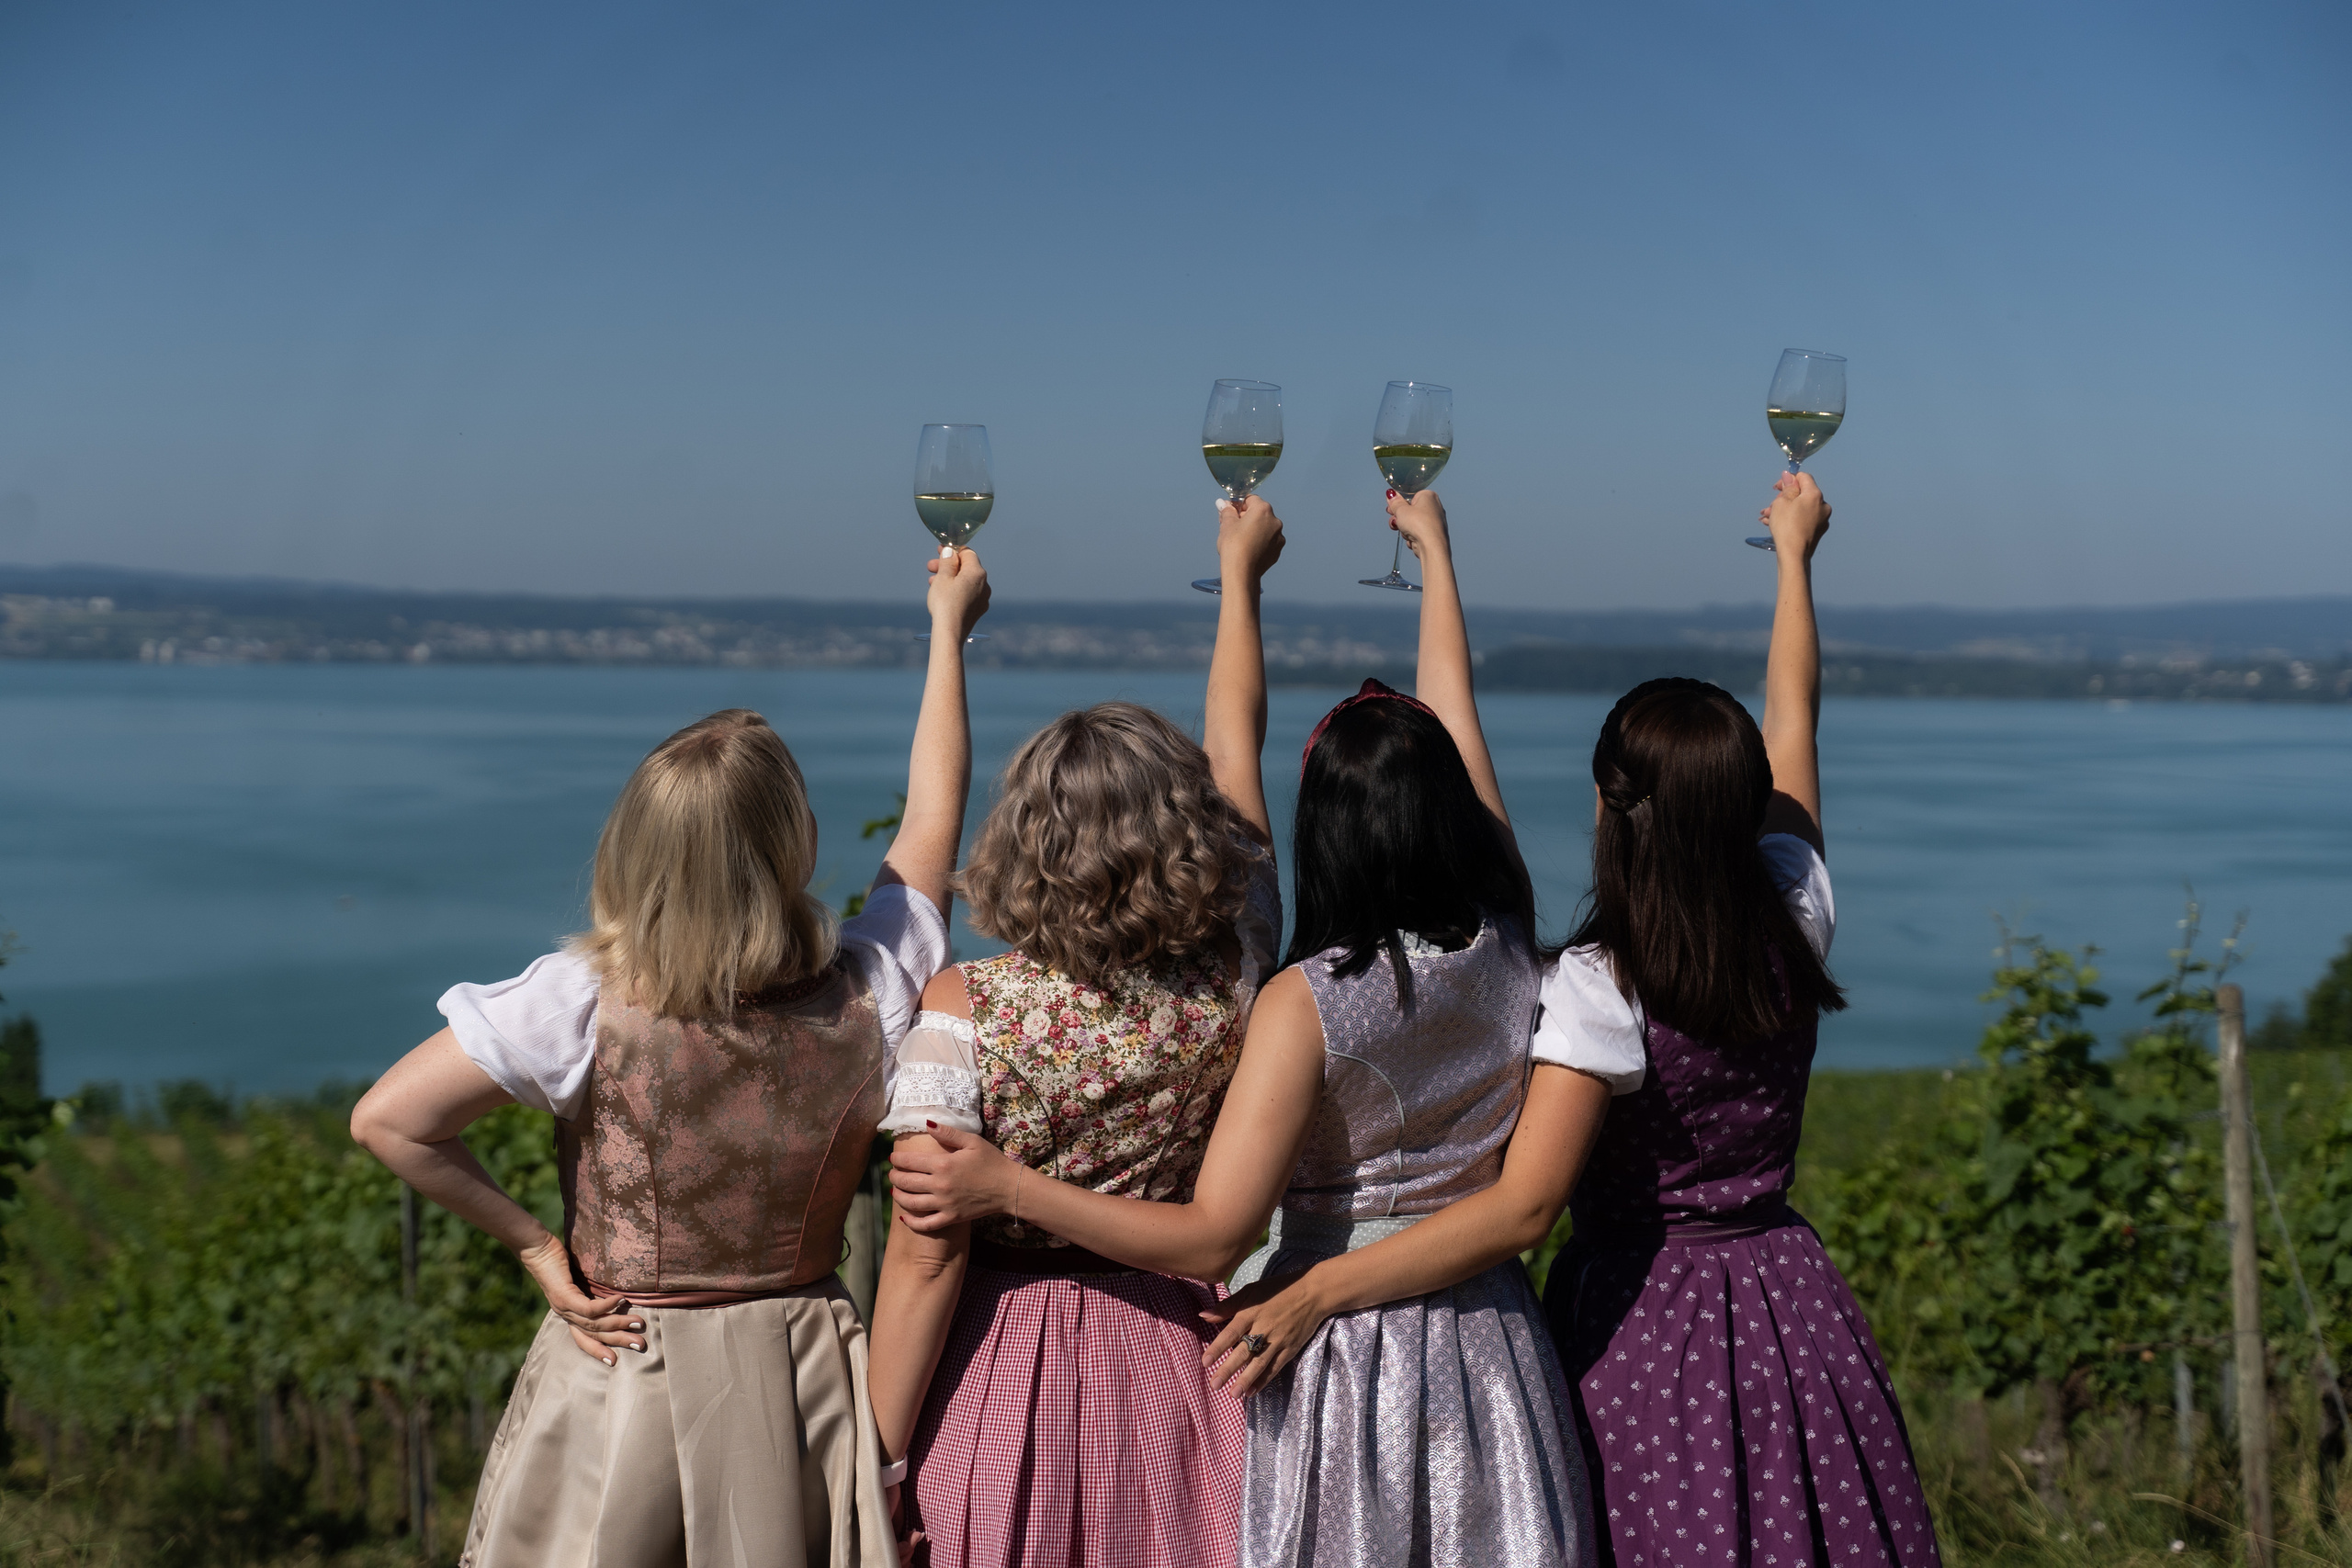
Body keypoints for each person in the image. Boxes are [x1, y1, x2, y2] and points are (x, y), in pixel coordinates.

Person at [890, 490, 1601, 1568]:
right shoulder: (1271, 955)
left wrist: (877, 1457)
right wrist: (1290, 579)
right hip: (1399, 1343)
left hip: (1151, 1347)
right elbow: (1269, 745)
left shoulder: (989, 1006)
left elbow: (931, 1252)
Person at [349, 547, 991, 1568]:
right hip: (801, 1380)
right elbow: (931, 819)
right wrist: (948, 633)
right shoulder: (877, 986)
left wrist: (532, 1245)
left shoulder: (579, 1005)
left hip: (625, 1369)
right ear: (797, 848)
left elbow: (390, 1120)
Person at [863, 496, 1285, 1568]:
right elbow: (1241, 744)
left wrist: (875, 1464)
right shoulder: (1237, 963)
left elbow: (923, 1254)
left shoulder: (964, 1008)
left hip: (1001, 1369)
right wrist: (1241, 582)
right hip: (1187, 1356)